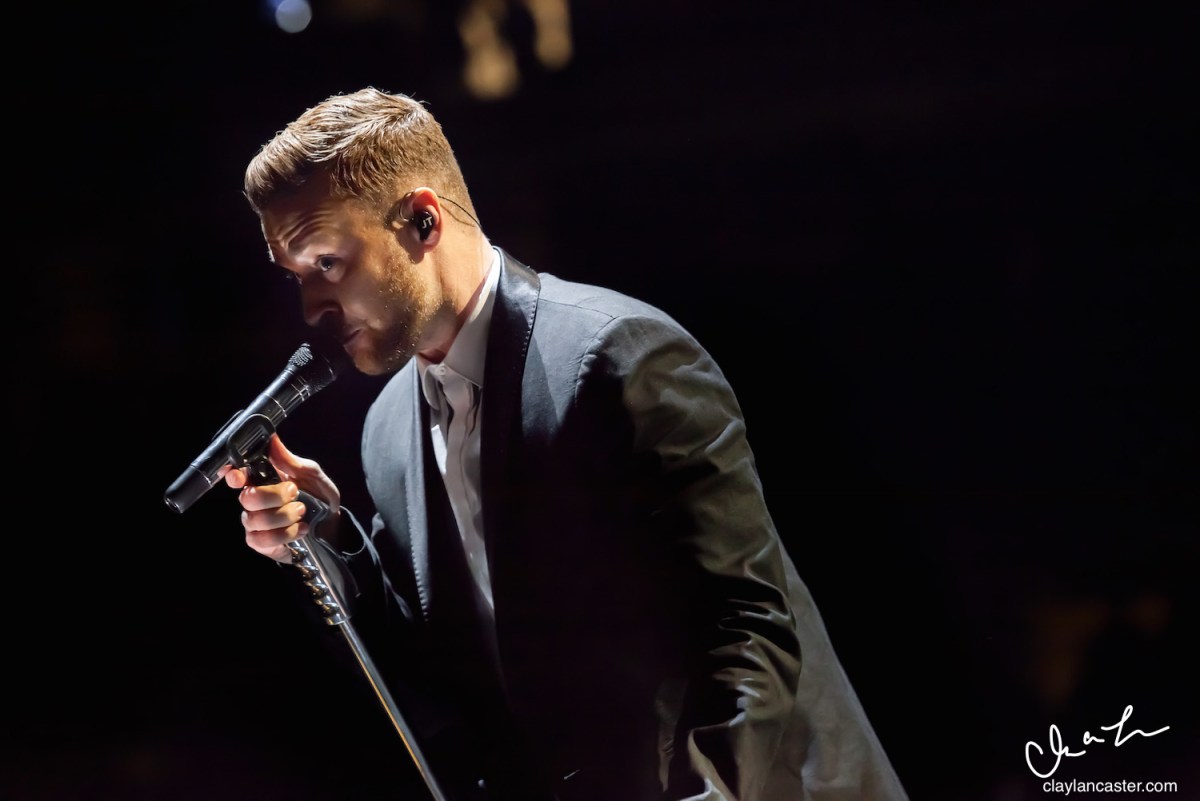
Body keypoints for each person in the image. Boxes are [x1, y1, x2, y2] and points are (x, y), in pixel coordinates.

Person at [222, 86, 909, 801]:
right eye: (296, 277)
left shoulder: (620, 356)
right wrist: (328, 539)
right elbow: (445, 674)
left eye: (327, 263)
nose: (311, 308)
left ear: (423, 220)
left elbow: (746, 629)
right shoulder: (388, 430)